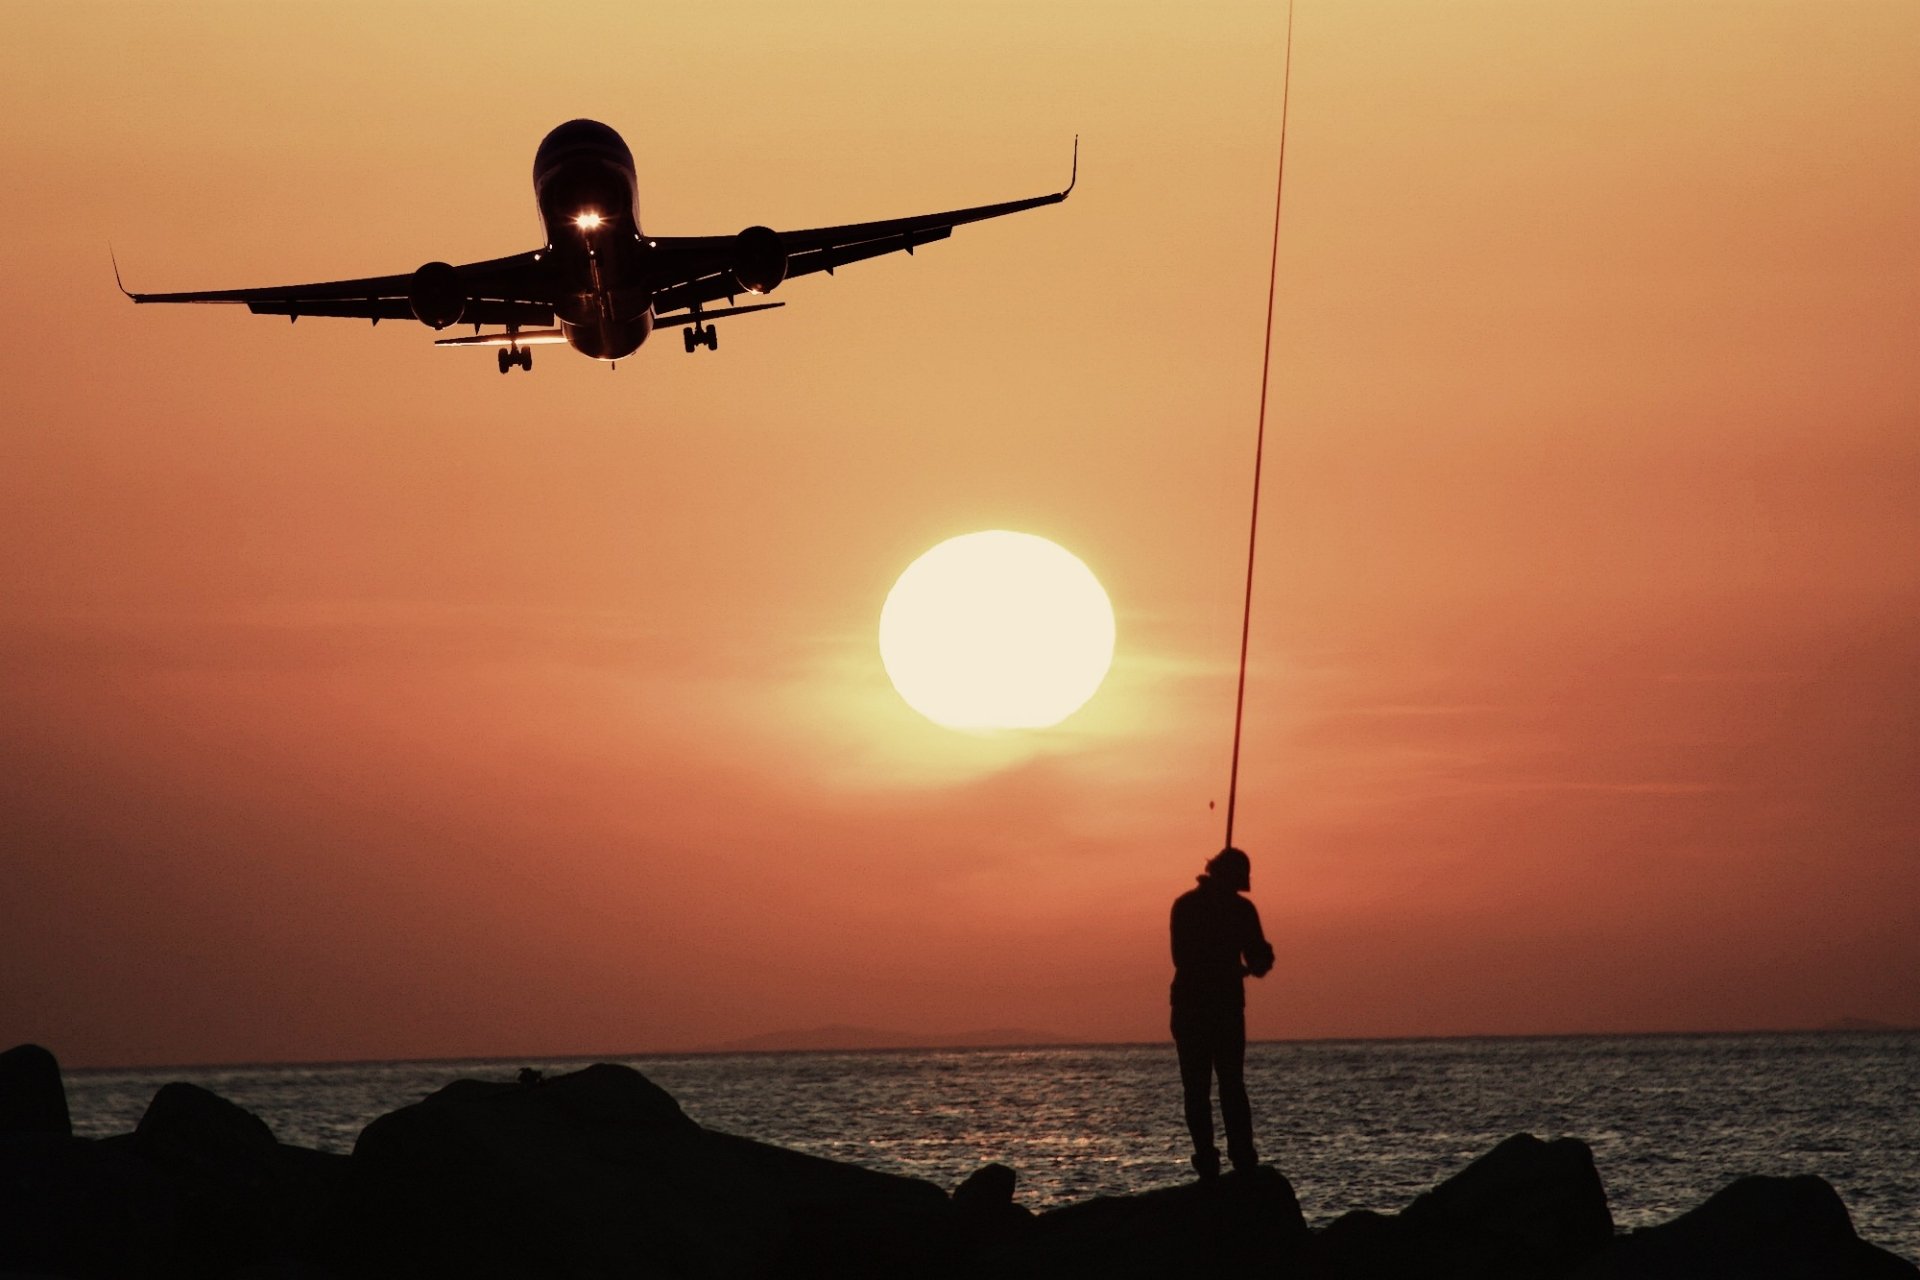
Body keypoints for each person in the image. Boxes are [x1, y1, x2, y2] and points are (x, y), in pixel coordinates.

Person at [1170, 845, 1274, 1178]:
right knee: (1218, 1086)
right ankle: (1225, 1158)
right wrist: (1240, 967)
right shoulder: (1213, 908)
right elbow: (1185, 958)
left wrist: (1256, 963)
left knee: (1212, 1087)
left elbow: (1258, 956)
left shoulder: (1199, 906)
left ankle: (1225, 1158)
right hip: (1205, 1007)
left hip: (1205, 1007)